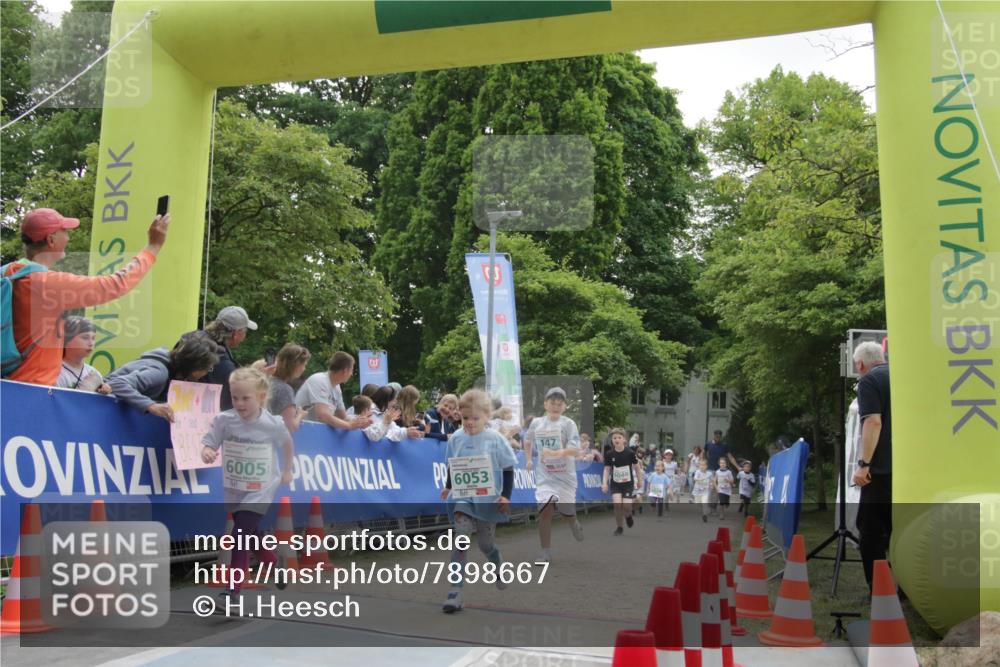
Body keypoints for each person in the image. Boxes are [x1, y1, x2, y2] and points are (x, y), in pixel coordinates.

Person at [2, 209, 169, 384]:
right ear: (51, 240)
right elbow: (115, 284)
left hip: (7, 382)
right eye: (64, 231)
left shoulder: (7, 272)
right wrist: (152, 247)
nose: (68, 238)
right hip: (33, 387)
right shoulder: (46, 283)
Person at [200, 367, 294, 602]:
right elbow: (209, 442)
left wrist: (287, 469)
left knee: (240, 534)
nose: (239, 403)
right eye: (235, 397)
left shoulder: (272, 424)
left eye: (245, 398)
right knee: (250, 533)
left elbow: (287, 443)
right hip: (235, 487)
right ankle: (273, 563)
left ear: (261, 397)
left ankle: (232, 591)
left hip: (262, 487)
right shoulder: (225, 420)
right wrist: (207, 451)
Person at [439, 389, 516, 613]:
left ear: (487, 416)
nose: (470, 423)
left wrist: (506, 495)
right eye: (465, 418)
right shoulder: (456, 438)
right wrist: (448, 486)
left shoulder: (496, 439)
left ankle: (497, 563)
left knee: (485, 544)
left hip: (488, 499)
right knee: (461, 538)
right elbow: (453, 465)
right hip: (463, 497)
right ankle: (455, 590)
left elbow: (508, 468)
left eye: (475, 418)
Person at [523, 387, 584, 562]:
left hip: (565, 477)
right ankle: (545, 552)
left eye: (559, 404)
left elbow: (575, 449)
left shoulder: (569, 424)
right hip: (545, 476)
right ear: (545, 404)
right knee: (545, 511)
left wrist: (557, 453)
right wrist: (528, 459)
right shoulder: (536, 423)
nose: (556, 407)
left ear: (565, 406)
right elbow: (527, 440)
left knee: (566, 512)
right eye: (552, 403)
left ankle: (573, 522)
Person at [852, 340, 893, 590]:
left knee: (870, 531)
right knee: (898, 530)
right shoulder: (902, 377)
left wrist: (864, 464)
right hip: (907, 468)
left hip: (880, 470)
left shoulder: (869, 381)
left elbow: (873, 422)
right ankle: (905, 587)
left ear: (860, 364)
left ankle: (879, 588)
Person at [106, 332, 220, 421]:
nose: (207, 372)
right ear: (195, 367)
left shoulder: (174, 374)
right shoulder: (159, 373)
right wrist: (151, 406)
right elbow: (117, 383)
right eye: (208, 368)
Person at [198, 306, 257, 410]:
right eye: (244, 332)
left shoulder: (190, 338)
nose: (244, 338)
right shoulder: (223, 362)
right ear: (236, 333)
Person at [295, 352, 372, 431]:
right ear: (345, 370)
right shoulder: (319, 380)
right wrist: (349, 425)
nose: (351, 374)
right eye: (351, 370)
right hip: (301, 431)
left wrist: (360, 421)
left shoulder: (337, 388)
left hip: (313, 432)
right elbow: (322, 415)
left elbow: (343, 417)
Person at [602, 428, 643, 536]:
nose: (616, 439)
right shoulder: (609, 454)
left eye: (619, 437)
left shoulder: (630, 453)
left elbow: (637, 467)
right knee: (617, 504)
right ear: (612, 440)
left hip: (627, 483)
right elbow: (607, 469)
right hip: (615, 483)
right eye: (614, 438)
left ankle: (628, 515)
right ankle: (619, 527)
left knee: (626, 506)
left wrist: (640, 480)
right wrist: (604, 483)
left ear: (624, 440)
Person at [56, 316, 111, 394]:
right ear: (66, 341)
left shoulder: (93, 373)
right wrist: (86, 389)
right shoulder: (55, 373)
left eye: (93, 338)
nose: (91, 343)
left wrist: (104, 393)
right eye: (85, 338)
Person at [267, 343, 310, 433]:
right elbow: (291, 427)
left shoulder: (266, 382)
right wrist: (300, 415)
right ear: (296, 365)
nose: (304, 369)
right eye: (304, 364)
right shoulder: (285, 390)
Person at [692, 458, 714, 523]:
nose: (702, 466)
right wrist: (699, 479)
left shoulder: (709, 473)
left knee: (704, 502)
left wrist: (712, 485)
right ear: (699, 466)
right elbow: (695, 478)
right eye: (700, 465)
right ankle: (705, 509)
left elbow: (712, 480)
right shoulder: (697, 472)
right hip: (697, 491)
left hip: (706, 491)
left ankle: (704, 515)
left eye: (703, 465)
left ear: (706, 466)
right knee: (698, 503)